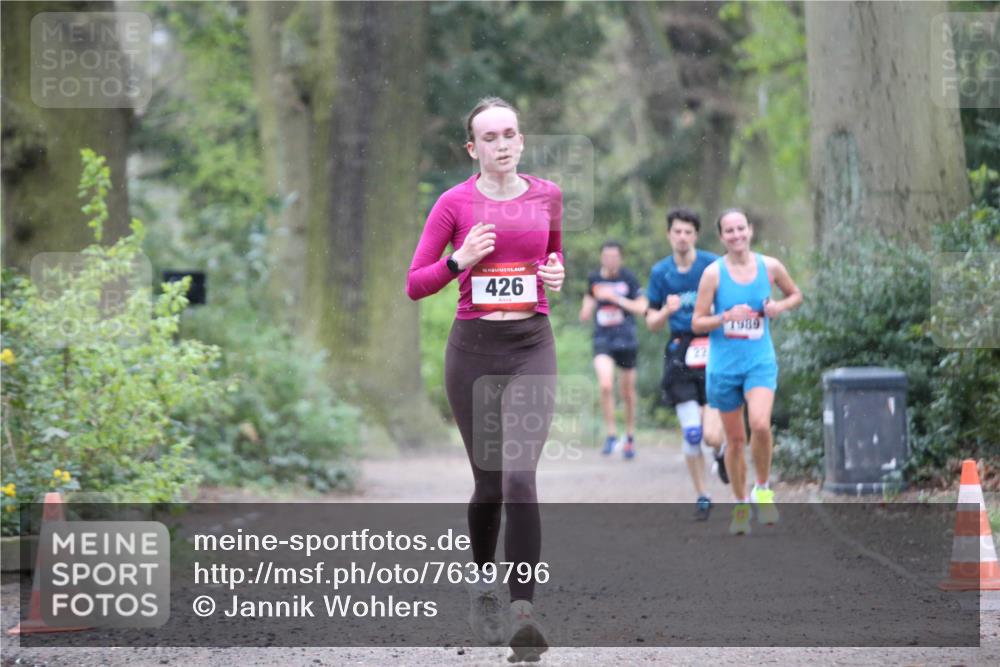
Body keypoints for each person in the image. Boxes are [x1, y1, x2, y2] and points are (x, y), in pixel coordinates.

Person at [405, 97, 562, 661]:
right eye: (489, 137)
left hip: (531, 347)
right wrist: (459, 260)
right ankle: (482, 582)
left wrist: (555, 273)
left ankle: (524, 612)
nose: (502, 144)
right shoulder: (454, 204)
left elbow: (553, 260)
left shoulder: (548, 196)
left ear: (521, 141)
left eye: (510, 134)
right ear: (473, 149)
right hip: (471, 352)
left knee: (521, 477)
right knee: (490, 484)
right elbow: (415, 283)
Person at [692, 208, 803, 535]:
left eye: (741, 228)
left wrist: (777, 308)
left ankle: (763, 489)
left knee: (760, 425)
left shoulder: (769, 267)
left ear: (750, 231)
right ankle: (741, 504)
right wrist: (724, 317)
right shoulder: (713, 274)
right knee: (735, 440)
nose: (737, 235)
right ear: (722, 236)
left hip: (759, 361)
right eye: (729, 231)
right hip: (724, 367)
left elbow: (796, 295)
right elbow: (697, 321)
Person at [645, 208, 727, 521]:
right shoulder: (660, 273)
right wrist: (667, 310)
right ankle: (702, 495)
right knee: (692, 433)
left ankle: (720, 455)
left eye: (688, 232)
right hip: (679, 350)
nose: (682, 237)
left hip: (713, 349)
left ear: (695, 235)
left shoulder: (711, 265)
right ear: (669, 235)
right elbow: (651, 321)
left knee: (712, 436)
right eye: (677, 231)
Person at [579, 241, 646, 459]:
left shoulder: (629, 278)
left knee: (627, 392)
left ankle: (629, 435)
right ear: (601, 258)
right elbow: (588, 299)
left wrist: (616, 299)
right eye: (606, 256)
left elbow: (641, 307)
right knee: (606, 385)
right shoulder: (594, 279)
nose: (610, 260)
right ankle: (610, 434)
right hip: (603, 339)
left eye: (614, 256)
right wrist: (586, 310)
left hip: (626, 339)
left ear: (621, 258)